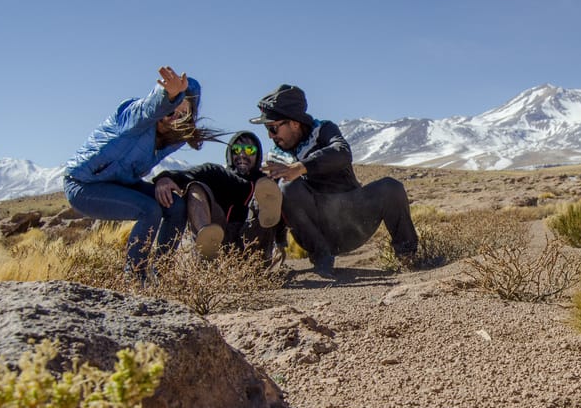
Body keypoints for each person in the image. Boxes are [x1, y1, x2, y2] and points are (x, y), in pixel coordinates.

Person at [63, 66, 223, 281]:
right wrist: (169, 96)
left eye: (182, 114)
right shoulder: (134, 115)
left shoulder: (174, 137)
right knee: (149, 210)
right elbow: (149, 108)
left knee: (175, 205)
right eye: (170, 110)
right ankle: (135, 279)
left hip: (120, 183)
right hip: (84, 185)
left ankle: (161, 275)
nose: (173, 117)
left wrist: (164, 179)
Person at [250, 84, 419, 277]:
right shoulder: (276, 158)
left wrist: (300, 167)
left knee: (391, 187)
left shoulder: (323, 130)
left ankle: (408, 257)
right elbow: (270, 205)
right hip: (316, 233)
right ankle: (322, 258)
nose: (270, 136)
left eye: (273, 128)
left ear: (294, 123)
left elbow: (342, 153)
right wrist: (279, 243)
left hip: (354, 221)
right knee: (284, 188)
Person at [152, 131, 283, 262]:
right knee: (195, 186)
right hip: (220, 244)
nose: (242, 155)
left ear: (258, 154)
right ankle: (206, 242)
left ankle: (264, 254)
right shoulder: (217, 173)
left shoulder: (266, 181)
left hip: (253, 243)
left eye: (249, 149)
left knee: (266, 191)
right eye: (236, 150)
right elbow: (186, 175)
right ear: (230, 153)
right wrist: (165, 178)